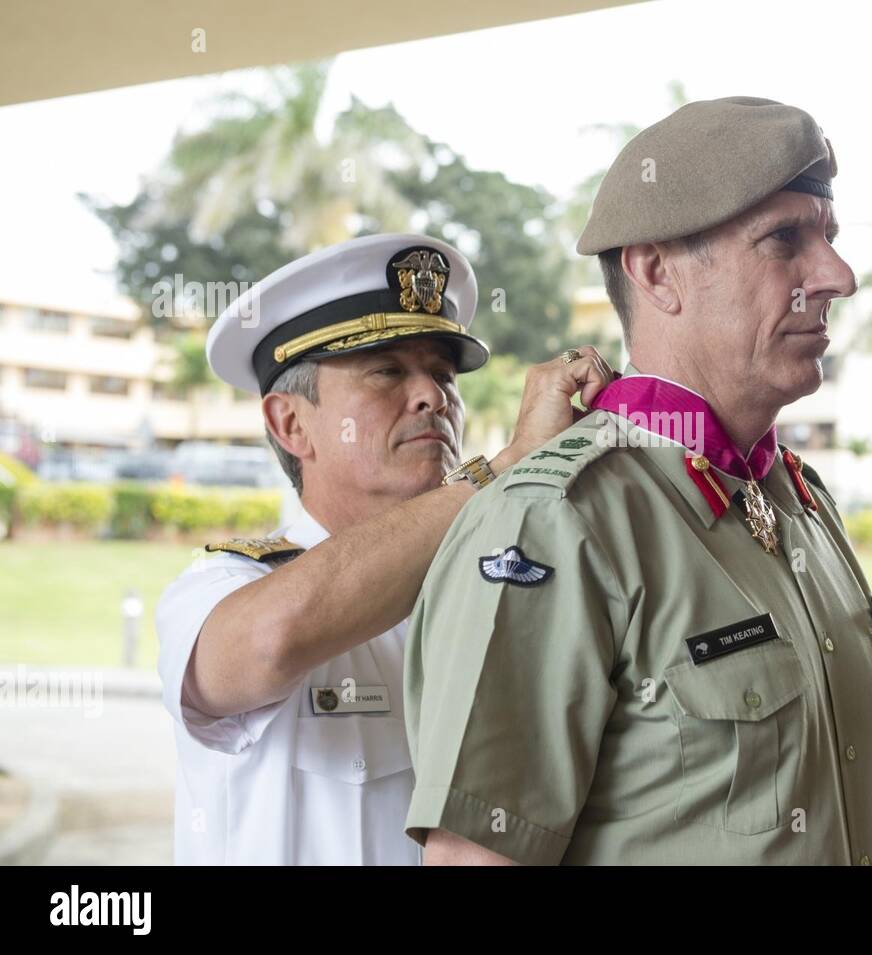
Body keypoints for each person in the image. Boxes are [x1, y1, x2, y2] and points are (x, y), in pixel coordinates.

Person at [403, 98, 872, 865]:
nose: (837, 276)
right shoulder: (552, 522)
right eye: (785, 239)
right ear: (656, 271)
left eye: (830, 238)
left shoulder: (803, 505)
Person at [156, 232, 613, 864]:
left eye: (443, 375)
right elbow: (271, 642)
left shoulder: (490, 582)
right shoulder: (223, 585)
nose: (432, 396)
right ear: (290, 423)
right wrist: (503, 469)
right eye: (388, 372)